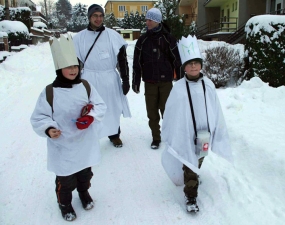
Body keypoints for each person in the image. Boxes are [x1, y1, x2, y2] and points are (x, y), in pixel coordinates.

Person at [30, 34, 107, 221]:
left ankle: (83, 192)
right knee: (65, 180)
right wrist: (49, 129)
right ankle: (64, 203)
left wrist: (90, 117)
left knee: (85, 174)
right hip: (62, 145)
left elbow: (100, 106)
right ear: (59, 68)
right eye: (68, 67)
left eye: (75, 66)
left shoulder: (86, 86)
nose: (73, 70)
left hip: (84, 142)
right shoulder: (50, 92)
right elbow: (39, 117)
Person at [161, 35, 233, 213]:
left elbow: (215, 108)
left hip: (203, 135)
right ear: (184, 66)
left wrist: (216, 128)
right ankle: (191, 195)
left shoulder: (208, 85)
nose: (193, 66)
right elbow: (171, 112)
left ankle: (191, 175)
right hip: (185, 134)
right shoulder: (178, 88)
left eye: (196, 62)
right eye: (189, 63)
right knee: (190, 163)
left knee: (198, 160)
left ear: (201, 64)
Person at [73, 4, 131, 148]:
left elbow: (122, 60)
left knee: (113, 108)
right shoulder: (79, 38)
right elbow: (75, 63)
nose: (98, 19)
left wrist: (125, 80)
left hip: (110, 79)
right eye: (95, 16)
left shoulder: (113, 35)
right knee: (91, 109)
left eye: (100, 16)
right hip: (89, 79)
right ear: (89, 17)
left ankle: (114, 135)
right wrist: (74, 83)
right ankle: (90, 136)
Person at [132, 8, 182, 150]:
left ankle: (171, 136)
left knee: (167, 111)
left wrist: (181, 79)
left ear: (157, 21)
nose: (147, 22)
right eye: (147, 19)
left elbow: (177, 60)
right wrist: (135, 82)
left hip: (166, 82)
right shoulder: (142, 40)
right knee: (152, 112)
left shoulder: (169, 38)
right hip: (150, 82)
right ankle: (156, 137)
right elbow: (137, 63)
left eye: (150, 20)